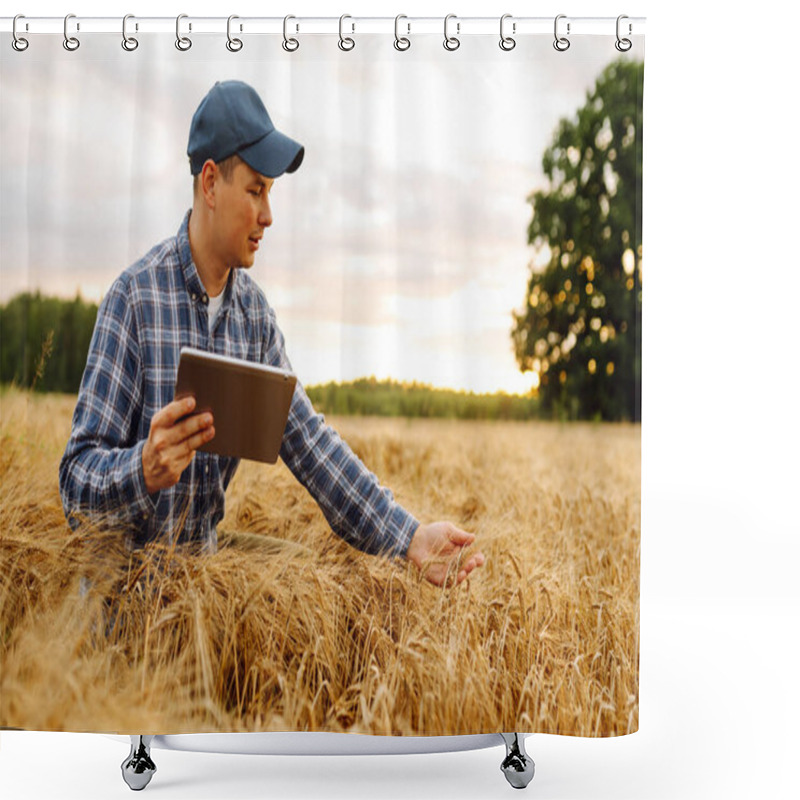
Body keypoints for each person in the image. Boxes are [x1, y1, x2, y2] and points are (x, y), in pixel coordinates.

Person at [59, 80, 484, 588]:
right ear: (211, 184)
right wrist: (142, 469)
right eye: (256, 189)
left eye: (271, 193)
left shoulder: (254, 318)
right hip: (122, 600)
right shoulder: (133, 299)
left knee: (306, 574)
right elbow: (75, 482)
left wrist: (410, 537)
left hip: (202, 589)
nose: (268, 215)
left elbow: (311, 444)